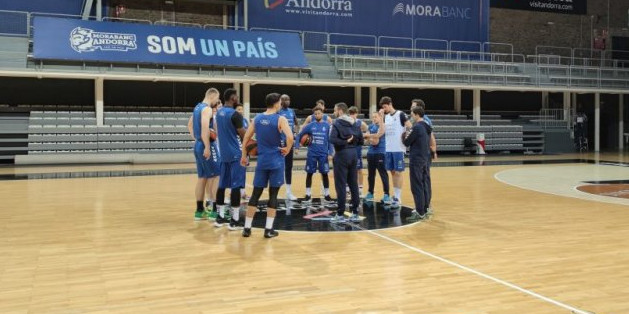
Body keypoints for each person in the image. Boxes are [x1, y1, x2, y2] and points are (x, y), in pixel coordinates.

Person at [240, 93, 294, 238]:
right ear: (277, 104)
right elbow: (290, 137)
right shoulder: (280, 119)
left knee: (256, 194)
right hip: (276, 160)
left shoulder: (257, 118)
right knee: (273, 195)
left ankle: (247, 228)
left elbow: (246, 137)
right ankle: (268, 230)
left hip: (262, 161)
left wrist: (244, 155)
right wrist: (287, 149)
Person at [215, 88, 246, 230]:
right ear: (233, 97)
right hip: (235, 154)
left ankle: (220, 218)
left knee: (221, 185)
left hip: (224, 154)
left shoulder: (219, 113)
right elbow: (244, 136)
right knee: (236, 186)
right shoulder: (235, 115)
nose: (238, 98)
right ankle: (234, 221)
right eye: (237, 96)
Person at [187, 88, 221, 221]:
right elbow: (205, 128)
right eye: (216, 99)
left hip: (198, 145)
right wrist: (207, 146)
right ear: (212, 96)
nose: (216, 102)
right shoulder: (206, 109)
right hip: (207, 145)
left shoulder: (197, 107)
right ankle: (214, 210)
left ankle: (199, 210)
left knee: (202, 178)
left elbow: (189, 125)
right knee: (215, 176)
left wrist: (197, 140)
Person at [329, 102, 364, 222]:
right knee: (353, 183)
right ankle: (355, 212)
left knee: (341, 185)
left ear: (339, 111)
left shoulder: (337, 123)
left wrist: (345, 142)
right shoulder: (355, 123)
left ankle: (340, 214)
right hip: (354, 154)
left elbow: (332, 139)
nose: (333, 112)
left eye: (334, 110)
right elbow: (361, 141)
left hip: (341, 154)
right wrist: (351, 143)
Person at [297, 106, 334, 203]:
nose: (317, 115)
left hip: (323, 154)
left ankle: (327, 194)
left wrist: (330, 152)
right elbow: (300, 135)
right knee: (309, 174)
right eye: (316, 114)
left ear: (322, 114)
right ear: (314, 115)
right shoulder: (310, 125)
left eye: (319, 113)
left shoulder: (327, 126)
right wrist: (297, 146)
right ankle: (308, 194)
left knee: (325, 174)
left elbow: (330, 141)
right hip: (312, 154)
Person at [380, 96, 412, 206]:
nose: (384, 109)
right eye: (383, 107)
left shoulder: (400, 114)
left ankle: (398, 198)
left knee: (398, 172)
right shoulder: (386, 116)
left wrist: (406, 136)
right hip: (388, 148)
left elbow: (410, 126)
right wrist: (380, 117)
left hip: (398, 148)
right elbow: (382, 131)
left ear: (390, 104)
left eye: (385, 106)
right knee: (392, 172)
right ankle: (395, 195)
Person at [403, 107, 432, 222]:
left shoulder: (417, 127)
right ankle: (424, 209)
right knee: (424, 184)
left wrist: (405, 135)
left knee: (416, 185)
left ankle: (419, 212)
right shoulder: (426, 127)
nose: (411, 116)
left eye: (412, 114)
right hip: (425, 158)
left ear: (417, 115)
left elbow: (406, 142)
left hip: (416, 160)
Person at [411, 99, 437, 213]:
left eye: (413, 107)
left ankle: (426, 205)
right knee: (424, 179)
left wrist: (433, 150)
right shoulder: (419, 121)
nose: (411, 108)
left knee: (423, 179)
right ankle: (424, 204)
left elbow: (431, 136)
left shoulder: (425, 121)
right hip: (423, 154)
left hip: (423, 154)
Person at [364, 112, 391, 203]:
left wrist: (369, 137)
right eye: (373, 117)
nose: (374, 118)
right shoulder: (370, 126)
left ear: (380, 117)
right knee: (371, 175)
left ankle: (386, 194)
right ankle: (370, 193)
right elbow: (368, 141)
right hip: (370, 153)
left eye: (376, 117)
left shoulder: (383, 126)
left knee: (383, 174)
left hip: (380, 153)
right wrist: (372, 137)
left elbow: (376, 140)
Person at [277, 94, 300, 201]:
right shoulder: (278, 112)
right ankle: (275, 191)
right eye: (284, 99)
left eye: (288, 99)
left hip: (289, 143)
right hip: (279, 144)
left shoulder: (291, 111)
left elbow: (296, 123)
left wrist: (295, 132)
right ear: (280, 101)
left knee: (289, 167)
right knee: (277, 167)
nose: (287, 101)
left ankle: (288, 192)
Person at [348, 106, 368, 198]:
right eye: (351, 114)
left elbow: (368, 130)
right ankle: (348, 188)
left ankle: (360, 188)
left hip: (357, 149)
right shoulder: (346, 123)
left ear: (356, 114)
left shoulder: (360, 123)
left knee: (359, 169)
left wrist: (363, 136)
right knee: (348, 169)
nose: (352, 115)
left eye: (354, 113)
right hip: (348, 148)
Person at [234, 102, 250, 201]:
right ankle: (233, 192)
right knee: (236, 172)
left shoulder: (245, 120)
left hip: (245, 148)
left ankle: (243, 193)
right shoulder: (233, 121)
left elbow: (247, 134)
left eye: (241, 109)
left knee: (243, 171)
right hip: (237, 149)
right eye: (238, 109)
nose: (240, 111)